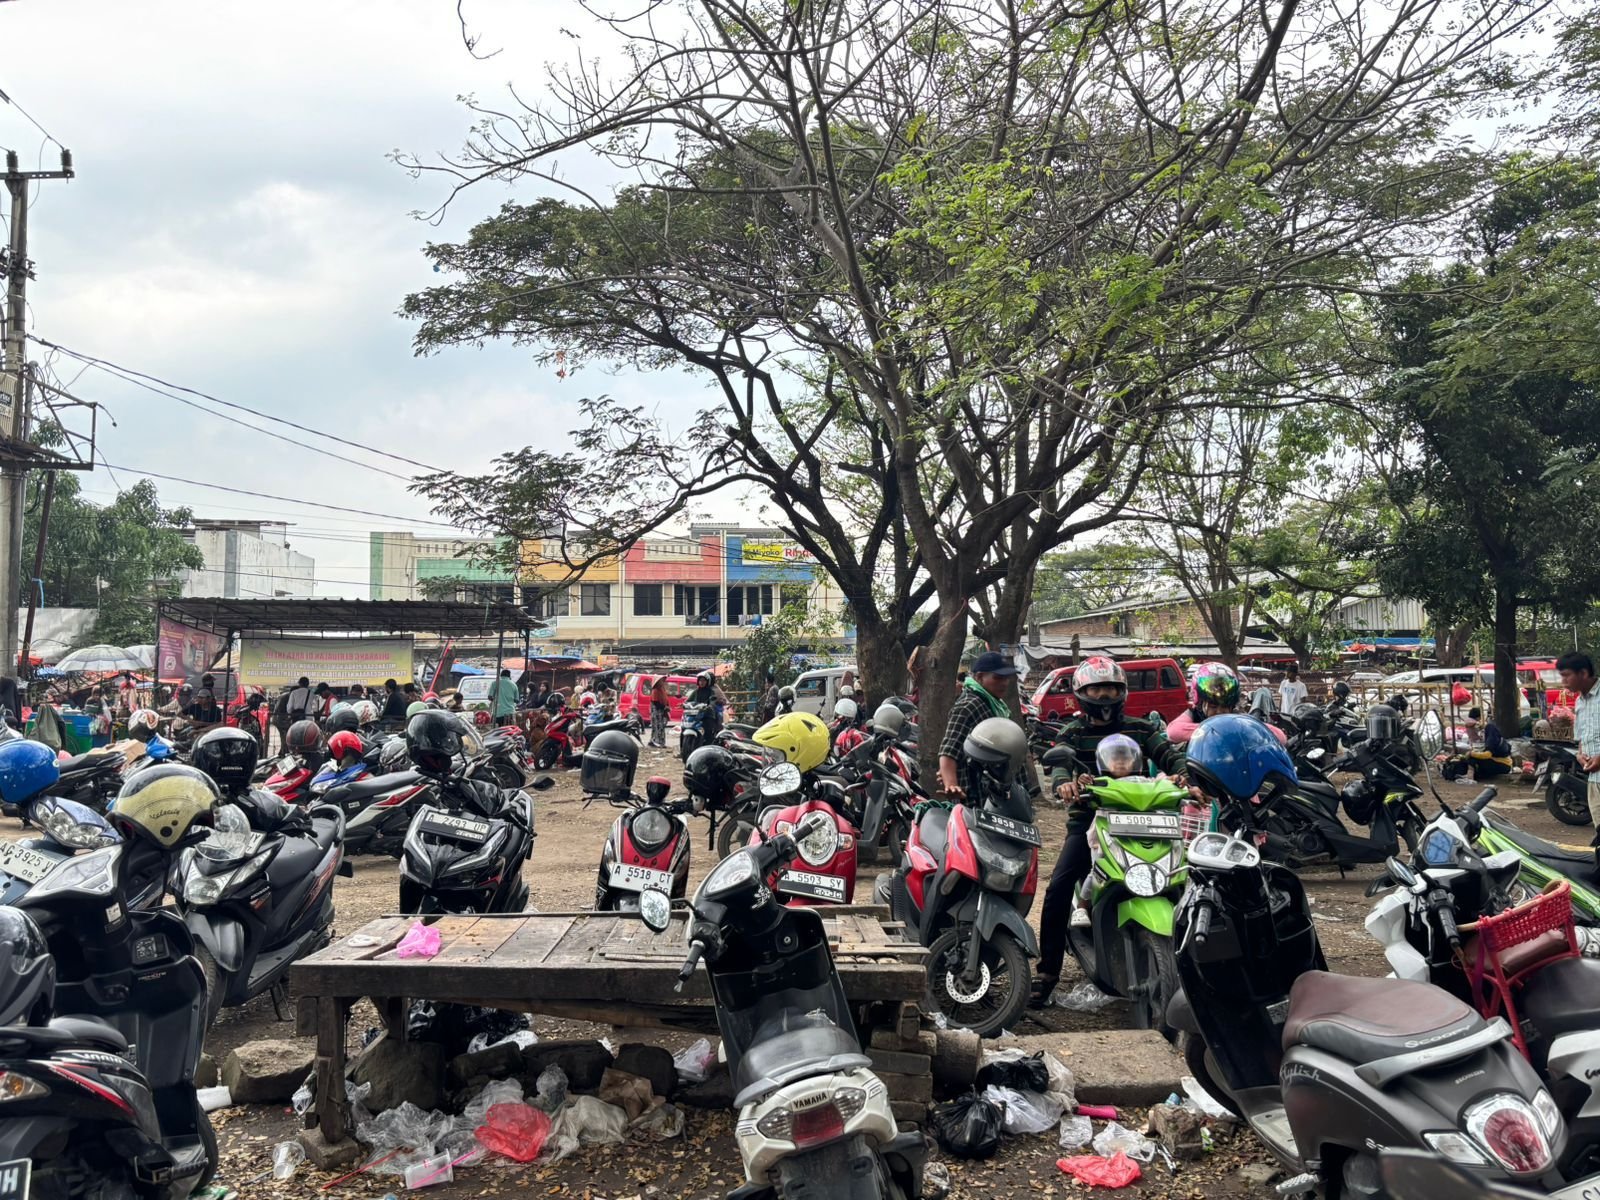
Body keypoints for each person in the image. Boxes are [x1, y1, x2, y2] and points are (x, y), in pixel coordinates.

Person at [1032, 656, 1187, 1006]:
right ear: (1082, 693)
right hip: (1090, 822)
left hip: (1146, 818)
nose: (1104, 695)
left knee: (1188, 879)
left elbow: (1170, 755)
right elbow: (1060, 762)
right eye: (1096, 689)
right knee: (1058, 889)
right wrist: (1064, 785)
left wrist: (1186, 776)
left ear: (1123, 692)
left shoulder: (1142, 728)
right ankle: (1048, 972)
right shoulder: (1073, 731)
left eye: (1112, 688)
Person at [1069, 733, 1146, 928]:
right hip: (1105, 836)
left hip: (1137, 833)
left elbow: (1160, 783)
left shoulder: (1144, 782)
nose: (1120, 762)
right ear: (1104, 761)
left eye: (1125, 758)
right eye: (1115, 758)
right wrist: (1082, 782)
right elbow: (1085, 785)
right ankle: (1082, 905)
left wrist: (1172, 779)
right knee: (1098, 869)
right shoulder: (1099, 782)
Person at [937, 651, 1031, 798]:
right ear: (980, 677)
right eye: (998, 678)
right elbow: (949, 751)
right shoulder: (968, 706)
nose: (1004, 683)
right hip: (980, 799)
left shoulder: (995, 705)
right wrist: (951, 785)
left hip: (1004, 795)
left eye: (1006, 678)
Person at [1557, 652, 1600, 853]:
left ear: (1583, 673)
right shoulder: (1580, 702)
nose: (1563, 681)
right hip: (1594, 779)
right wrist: (1580, 755)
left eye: (1566, 675)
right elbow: (1582, 737)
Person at [688, 670, 728, 742]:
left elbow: (715, 700)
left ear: (707, 681)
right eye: (700, 680)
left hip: (707, 714)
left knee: (708, 727)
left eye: (704, 681)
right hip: (696, 713)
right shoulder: (696, 691)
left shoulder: (711, 691)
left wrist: (710, 705)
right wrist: (684, 704)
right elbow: (689, 700)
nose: (702, 682)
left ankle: (709, 741)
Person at [648, 674, 670, 748]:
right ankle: (657, 742)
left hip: (661, 711)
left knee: (661, 727)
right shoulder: (655, 691)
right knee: (657, 727)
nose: (662, 682)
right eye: (660, 681)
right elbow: (656, 702)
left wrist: (666, 707)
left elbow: (665, 700)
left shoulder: (662, 690)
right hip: (657, 712)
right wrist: (664, 707)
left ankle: (658, 741)